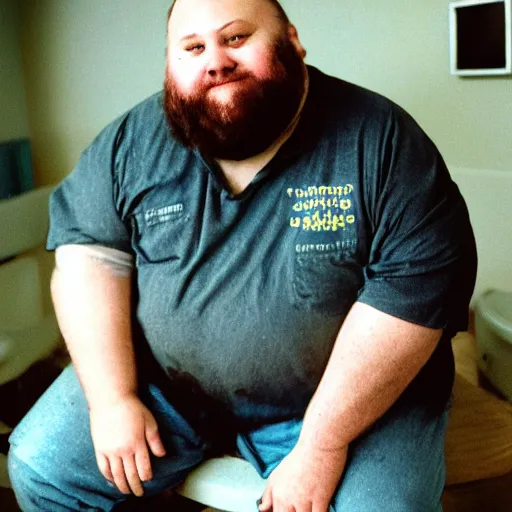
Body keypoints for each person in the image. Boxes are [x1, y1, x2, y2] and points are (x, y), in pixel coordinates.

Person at [8, 0, 477, 510]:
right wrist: (112, 398)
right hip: (171, 390)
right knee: (41, 466)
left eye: (235, 38)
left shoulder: (382, 142)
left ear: (292, 41)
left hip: (348, 405)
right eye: (192, 47)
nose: (215, 61)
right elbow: (89, 259)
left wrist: (322, 443)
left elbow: (411, 299)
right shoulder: (129, 142)